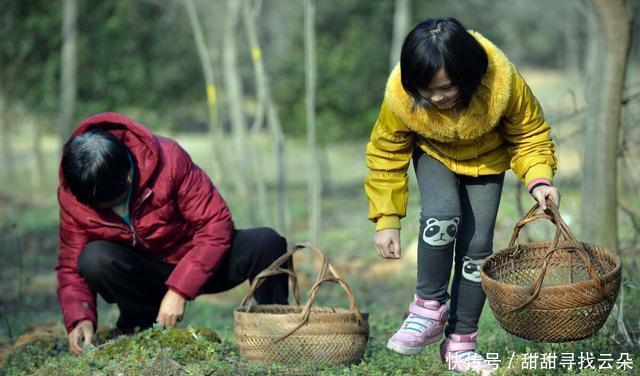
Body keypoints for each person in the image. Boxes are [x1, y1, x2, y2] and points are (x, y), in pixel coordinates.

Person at [364, 18, 560, 373]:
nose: (435, 98)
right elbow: (386, 153)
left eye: (445, 88)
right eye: (426, 90)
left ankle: (461, 343)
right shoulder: (402, 98)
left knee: (477, 249)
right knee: (441, 216)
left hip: (486, 162)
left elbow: (529, 134)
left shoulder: (502, 83)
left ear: (468, 75)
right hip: (435, 155)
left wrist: (540, 179)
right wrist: (387, 219)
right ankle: (427, 310)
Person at [56, 112, 288, 354]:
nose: (110, 209)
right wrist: (80, 317)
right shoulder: (74, 196)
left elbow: (215, 224)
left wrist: (180, 289)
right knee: (93, 258)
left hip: (196, 257)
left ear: (128, 176)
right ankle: (140, 327)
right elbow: (70, 263)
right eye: (102, 207)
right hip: (142, 272)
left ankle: (278, 333)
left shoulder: (168, 159)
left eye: (113, 201)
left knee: (265, 242)